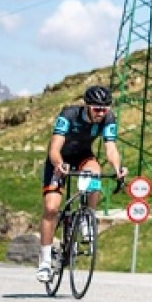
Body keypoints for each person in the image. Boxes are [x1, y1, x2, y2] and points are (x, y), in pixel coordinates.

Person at [36, 84, 126, 282]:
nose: (101, 113)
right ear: (87, 106)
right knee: (51, 209)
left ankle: (87, 217)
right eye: (97, 108)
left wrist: (118, 168)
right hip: (59, 159)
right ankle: (44, 261)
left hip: (83, 156)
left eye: (105, 108)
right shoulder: (69, 115)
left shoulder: (109, 118)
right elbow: (54, 148)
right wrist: (59, 165)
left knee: (95, 172)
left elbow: (111, 148)